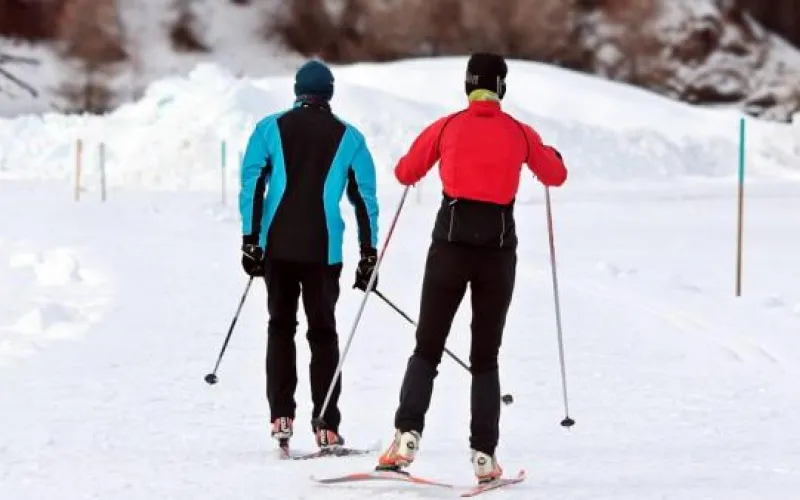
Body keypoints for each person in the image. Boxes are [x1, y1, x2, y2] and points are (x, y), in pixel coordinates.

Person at [376, 53, 568, 482]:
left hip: (449, 250)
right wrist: (550, 153)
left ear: (467, 86)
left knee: (428, 345)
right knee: (485, 357)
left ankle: (406, 436)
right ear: (501, 87)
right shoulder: (519, 132)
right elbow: (555, 175)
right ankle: (484, 455)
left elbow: (406, 172)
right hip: (497, 256)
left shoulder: (447, 126)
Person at [238, 59, 380, 452]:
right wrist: (369, 255)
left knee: (280, 327)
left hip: (278, 248)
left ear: (297, 91)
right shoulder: (350, 137)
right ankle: (327, 426)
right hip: (324, 250)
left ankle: (281, 416)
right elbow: (364, 200)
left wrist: (251, 241)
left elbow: (253, 185)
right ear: (329, 93)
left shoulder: (269, 128)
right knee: (323, 333)